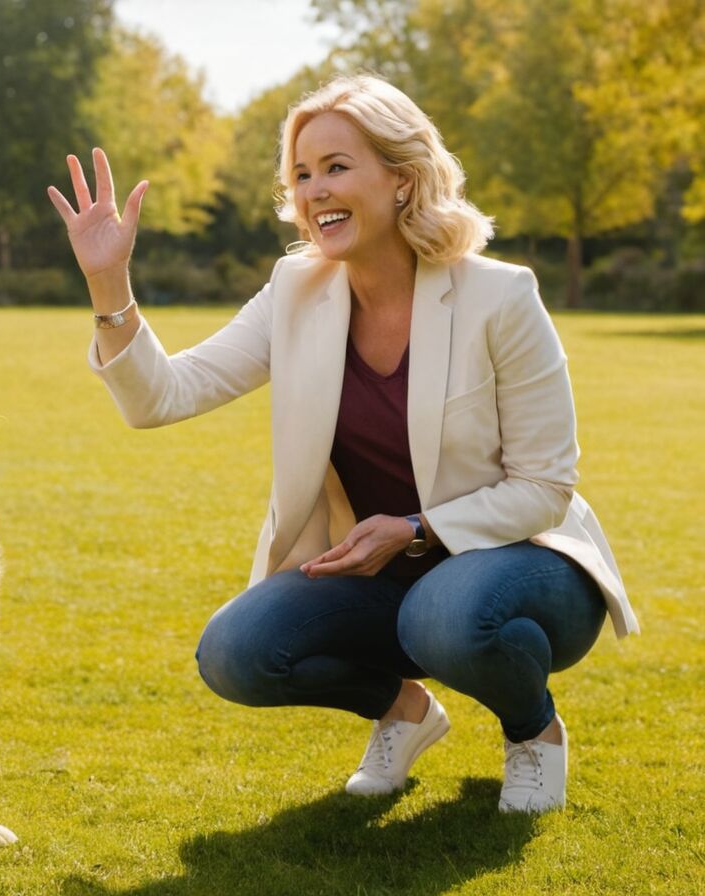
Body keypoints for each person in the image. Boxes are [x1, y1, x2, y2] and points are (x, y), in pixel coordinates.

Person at [47, 73, 638, 814]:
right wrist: (109, 282)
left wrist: (416, 529)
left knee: (441, 615)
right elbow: (161, 396)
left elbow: (546, 487)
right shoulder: (295, 291)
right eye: (301, 174)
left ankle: (533, 731)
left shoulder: (500, 296)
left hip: (526, 564)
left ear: (402, 178)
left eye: (336, 166)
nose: (314, 190)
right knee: (236, 654)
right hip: (380, 576)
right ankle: (405, 711)